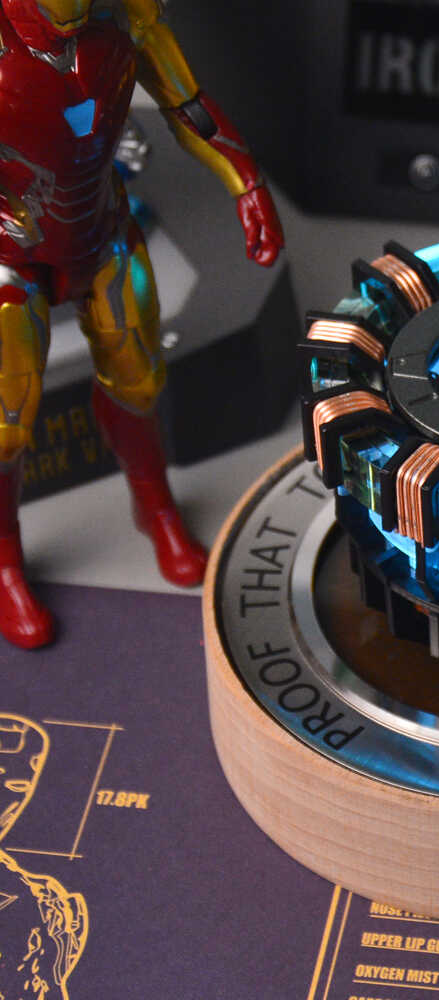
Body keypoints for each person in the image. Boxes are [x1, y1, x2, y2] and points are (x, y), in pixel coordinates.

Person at [0, 0, 284, 648]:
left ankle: (154, 507)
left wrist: (246, 182)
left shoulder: (127, 14)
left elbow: (189, 107)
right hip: (11, 256)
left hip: (102, 228)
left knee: (139, 380)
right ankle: (5, 561)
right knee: (6, 424)